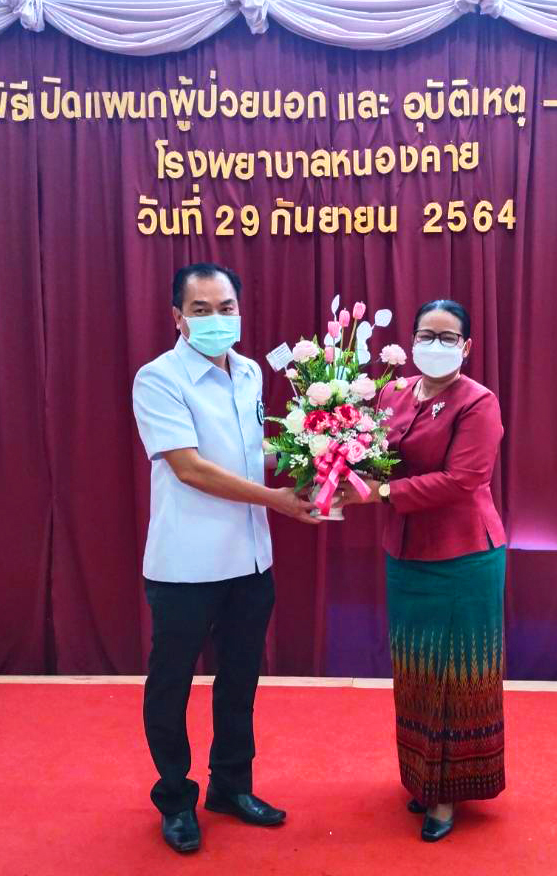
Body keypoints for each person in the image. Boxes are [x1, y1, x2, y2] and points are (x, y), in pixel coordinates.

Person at [130, 262, 319, 854]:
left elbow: (248, 451)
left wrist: (319, 449)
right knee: (172, 685)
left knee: (240, 681)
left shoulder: (250, 371)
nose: (217, 319)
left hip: (250, 562)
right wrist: (276, 500)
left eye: (226, 307)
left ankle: (231, 786)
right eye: (202, 309)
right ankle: (174, 797)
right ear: (178, 318)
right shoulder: (158, 378)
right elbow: (190, 468)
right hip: (185, 566)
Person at [338, 299, 507, 843]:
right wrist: (329, 458)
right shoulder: (393, 392)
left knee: (455, 677)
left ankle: (448, 795)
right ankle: (421, 778)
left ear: (467, 346)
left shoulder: (478, 402)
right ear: (410, 341)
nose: (435, 345)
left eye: (447, 337)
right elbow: (372, 453)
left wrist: (380, 493)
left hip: (463, 557)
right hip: (406, 555)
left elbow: (463, 480)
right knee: (415, 671)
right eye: (425, 335)